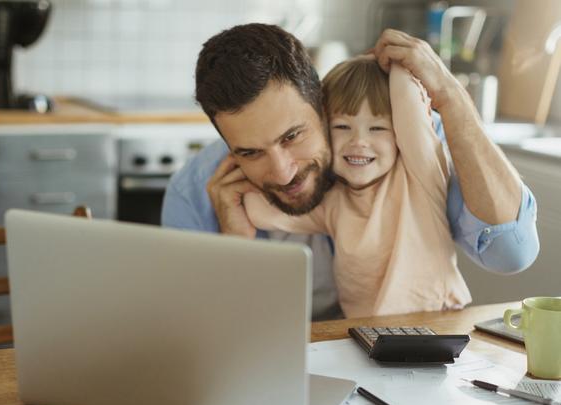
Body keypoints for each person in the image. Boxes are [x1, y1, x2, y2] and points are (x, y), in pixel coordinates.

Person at [162, 24, 539, 320]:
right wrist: (232, 243)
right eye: (249, 152)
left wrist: (451, 96)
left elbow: (511, 254)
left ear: (321, 103)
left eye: (293, 135)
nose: (281, 171)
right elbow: (202, 340)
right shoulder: (195, 193)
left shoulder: (395, 141)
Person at [243, 56, 471, 318]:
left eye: (377, 128)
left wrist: (393, 58)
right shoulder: (333, 202)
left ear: (399, 132)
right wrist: (241, 176)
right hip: (366, 333)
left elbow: (409, 104)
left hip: (435, 321)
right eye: (342, 126)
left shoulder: (419, 177)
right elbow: (262, 212)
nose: (359, 141)